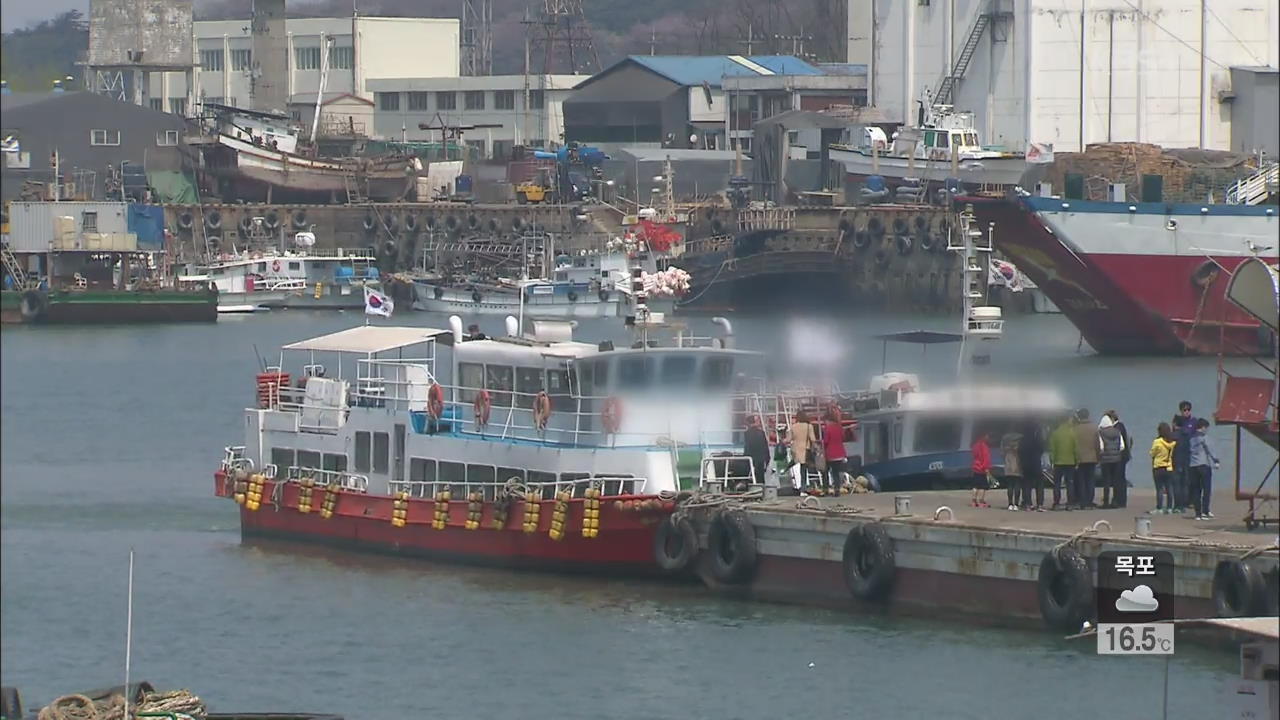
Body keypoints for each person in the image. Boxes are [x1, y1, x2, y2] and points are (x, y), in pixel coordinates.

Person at [1188, 418, 1220, 520]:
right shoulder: (1204, 437)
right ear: (1202, 427)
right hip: (1204, 465)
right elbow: (1209, 449)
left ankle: (1198, 513)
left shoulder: (1191, 438)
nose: (1207, 430)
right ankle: (1205, 511)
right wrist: (1216, 460)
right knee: (1206, 489)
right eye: (1206, 428)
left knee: (1196, 490)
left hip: (1193, 466)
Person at [1170, 401, 1198, 514]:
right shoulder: (1178, 421)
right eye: (1184, 410)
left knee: (1188, 480)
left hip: (1190, 453)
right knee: (1179, 481)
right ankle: (1179, 503)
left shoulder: (1193, 421)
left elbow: (1193, 434)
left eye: (1188, 410)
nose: (1186, 412)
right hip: (1179, 455)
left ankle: (1187, 501)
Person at [1048, 414, 1078, 510]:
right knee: (1070, 483)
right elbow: (1076, 449)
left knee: (1057, 483)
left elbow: (1052, 449)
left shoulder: (1055, 433)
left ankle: (1056, 503)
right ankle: (1070, 504)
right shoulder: (1072, 433)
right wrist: (1077, 461)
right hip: (1070, 461)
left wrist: (1052, 461)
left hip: (1058, 462)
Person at [1098, 414, 1127, 508]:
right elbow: (1122, 446)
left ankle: (1106, 501)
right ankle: (1115, 501)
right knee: (1115, 481)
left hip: (1105, 460)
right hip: (1116, 460)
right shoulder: (1117, 432)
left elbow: (1101, 446)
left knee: (1106, 481)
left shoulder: (1101, 432)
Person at [1073, 408, 1099, 509]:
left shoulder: (1075, 429)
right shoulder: (1094, 428)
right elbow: (1097, 444)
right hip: (1092, 457)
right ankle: (1089, 500)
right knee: (1090, 480)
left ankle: (1082, 501)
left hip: (1080, 458)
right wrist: (1098, 456)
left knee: (1081, 480)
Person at [1018, 418, 1047, 511]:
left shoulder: (1022, 440)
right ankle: (1040, 504)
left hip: (1025, 465)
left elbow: (1019, 452)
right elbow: (1042, 449)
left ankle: (1027, 504)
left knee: (1026, 485)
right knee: (1039, 485)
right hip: (1036, 464)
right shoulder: (1036, 439)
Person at [1149, 423, 1177, 514]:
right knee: (1169, 488)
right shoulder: (1172, 442)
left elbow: (1152, 453)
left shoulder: (1157, 442)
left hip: (1158, 467)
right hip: (1168, 467)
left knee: (1159, 489)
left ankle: (1159, 508)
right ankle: (1169, 507)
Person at [1105, 409, 1133, 497]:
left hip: (1120, 456)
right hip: (1123, 455)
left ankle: (1118, 498)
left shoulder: (1117, 428)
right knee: (1120, 478)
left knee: (1118, 479)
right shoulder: (1121, 426)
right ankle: (1120, 498)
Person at [822, 410, 848, 496]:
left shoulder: (827, 428)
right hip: (840, 454)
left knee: (825, 471)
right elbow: (843, 438)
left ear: (828, 420)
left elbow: (826, 441)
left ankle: (825, 489)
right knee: (836, 472)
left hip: (830, 454)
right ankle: (837, 490)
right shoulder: (839, 427)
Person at [789, 410, 816, 493]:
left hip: (796, 450)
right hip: (806, 450)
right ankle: (806, 486)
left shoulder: (793, 426)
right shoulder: (809, 426)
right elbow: (813, 439)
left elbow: (790, 438)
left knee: (799, 467)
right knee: (805, 468)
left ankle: (801, 486)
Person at [743, 415, 771, 487]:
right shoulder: (761, 433)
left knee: (751, 477)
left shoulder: (747, 433)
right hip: (761, 459)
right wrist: (767, 459)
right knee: (760, 478)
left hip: (751, 458)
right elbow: (765, 447)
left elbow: (747, 447)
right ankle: (761, 491)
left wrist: (745, 458)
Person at [1001, 428, 1023, 511]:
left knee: (1010, 485)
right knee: (1017, 485)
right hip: (1018, 466)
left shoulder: (1005, 443)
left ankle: (1010, 504)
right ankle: (1016, 504)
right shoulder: (1019, 444)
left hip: (1008, 465)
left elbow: (1002, 453)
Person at [971, 432, 993, 507]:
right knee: (983, 486)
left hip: (976, 467)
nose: (988, 438)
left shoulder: (975, 446)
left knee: (975, 485)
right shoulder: (984, 446)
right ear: (984, 436)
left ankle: (974, 501)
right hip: (982, 469)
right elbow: (986, 458)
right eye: (987, 436)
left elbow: (974, 456)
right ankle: (981, 501)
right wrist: (986, 468)